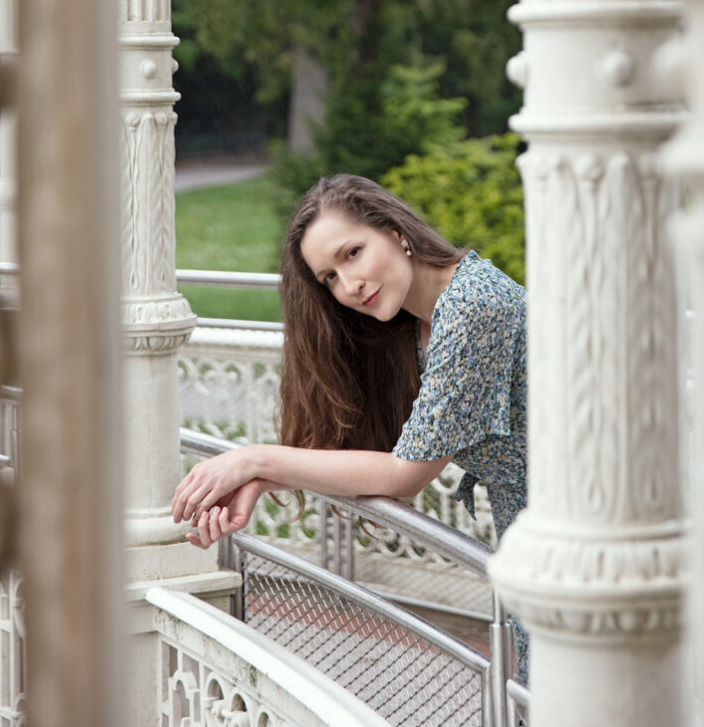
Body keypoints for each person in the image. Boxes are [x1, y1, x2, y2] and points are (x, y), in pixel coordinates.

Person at [171, 173, 528, 679]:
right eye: (330, 278)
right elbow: (384, 460)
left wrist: (254, 460)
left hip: (584, 533)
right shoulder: (422, 324)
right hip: (538, 538)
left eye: (353, 253)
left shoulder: (473, 306)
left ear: (396, 231)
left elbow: (405, 474)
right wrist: (261, 480)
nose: (349, 285)